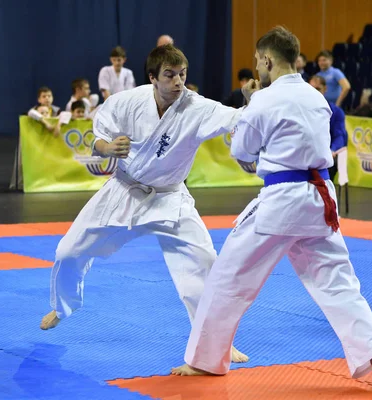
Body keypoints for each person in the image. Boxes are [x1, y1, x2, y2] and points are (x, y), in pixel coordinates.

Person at [170, 26, 372, 389]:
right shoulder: (316, 98)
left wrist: (248, 106)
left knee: (228, 278)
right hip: (321, 199)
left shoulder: (263, 100)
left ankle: (205, 361)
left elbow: (243, 153)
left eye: (256, 61)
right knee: (339, 284)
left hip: (282, 200)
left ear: (265, 59)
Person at [39, 44, 252, 363]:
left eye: (182, 74)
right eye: (169, 75)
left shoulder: (196, 107)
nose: (178, 82)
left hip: (170, 196)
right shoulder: (126, 102)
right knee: (68, 252)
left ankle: (217, 341)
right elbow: (97, 139)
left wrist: (253, 100)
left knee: (205, 261)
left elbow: (235, 117)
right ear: (152, 77)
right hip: (125, 190)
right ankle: (63, 305)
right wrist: (109, 148)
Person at [308, 75, 347, 180]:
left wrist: (332, 150)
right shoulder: (301, 111)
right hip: (306, 154)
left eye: (318, 89)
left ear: (325, 89)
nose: (314, 92)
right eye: (311, 89)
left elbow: (340, 136)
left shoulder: (336, 112)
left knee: (328, 163)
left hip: (327, 154)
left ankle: (324, 191)